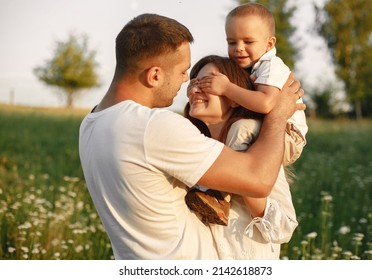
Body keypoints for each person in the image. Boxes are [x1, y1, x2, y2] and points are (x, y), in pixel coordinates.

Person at [78, 13, 305, 260]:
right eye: (185, 72)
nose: (188, 82)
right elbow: (258, 179)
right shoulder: (152, 128)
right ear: (154, 75)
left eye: (205, 82)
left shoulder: (91, 125)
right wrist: (278, 113)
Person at [185, 3, 308, 226]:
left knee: (242, 128)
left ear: (270, 43)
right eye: (232, 42)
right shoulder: (249, 68)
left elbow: (266, 104)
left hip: (288, 132)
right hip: (270, 127)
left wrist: (226, 88)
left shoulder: (271, 66)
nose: (238, 48)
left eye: (248, 42)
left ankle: (220, 192)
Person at [184, 55, 298, 259]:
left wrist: (243, 182)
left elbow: (283, 228)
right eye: (193, 83)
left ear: (235, 97)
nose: (194, 90)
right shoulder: (193, 148)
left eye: (207, 82)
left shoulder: (252, 138)